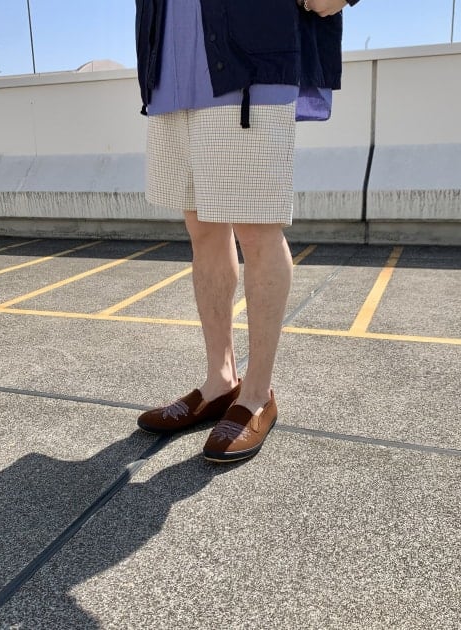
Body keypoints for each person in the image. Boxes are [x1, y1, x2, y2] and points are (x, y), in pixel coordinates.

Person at [135, 0, 360, 463]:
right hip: (168, 66)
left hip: (248, 56)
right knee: (201, 228)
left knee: (256, 231)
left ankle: (257, 394)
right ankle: (219, 382)